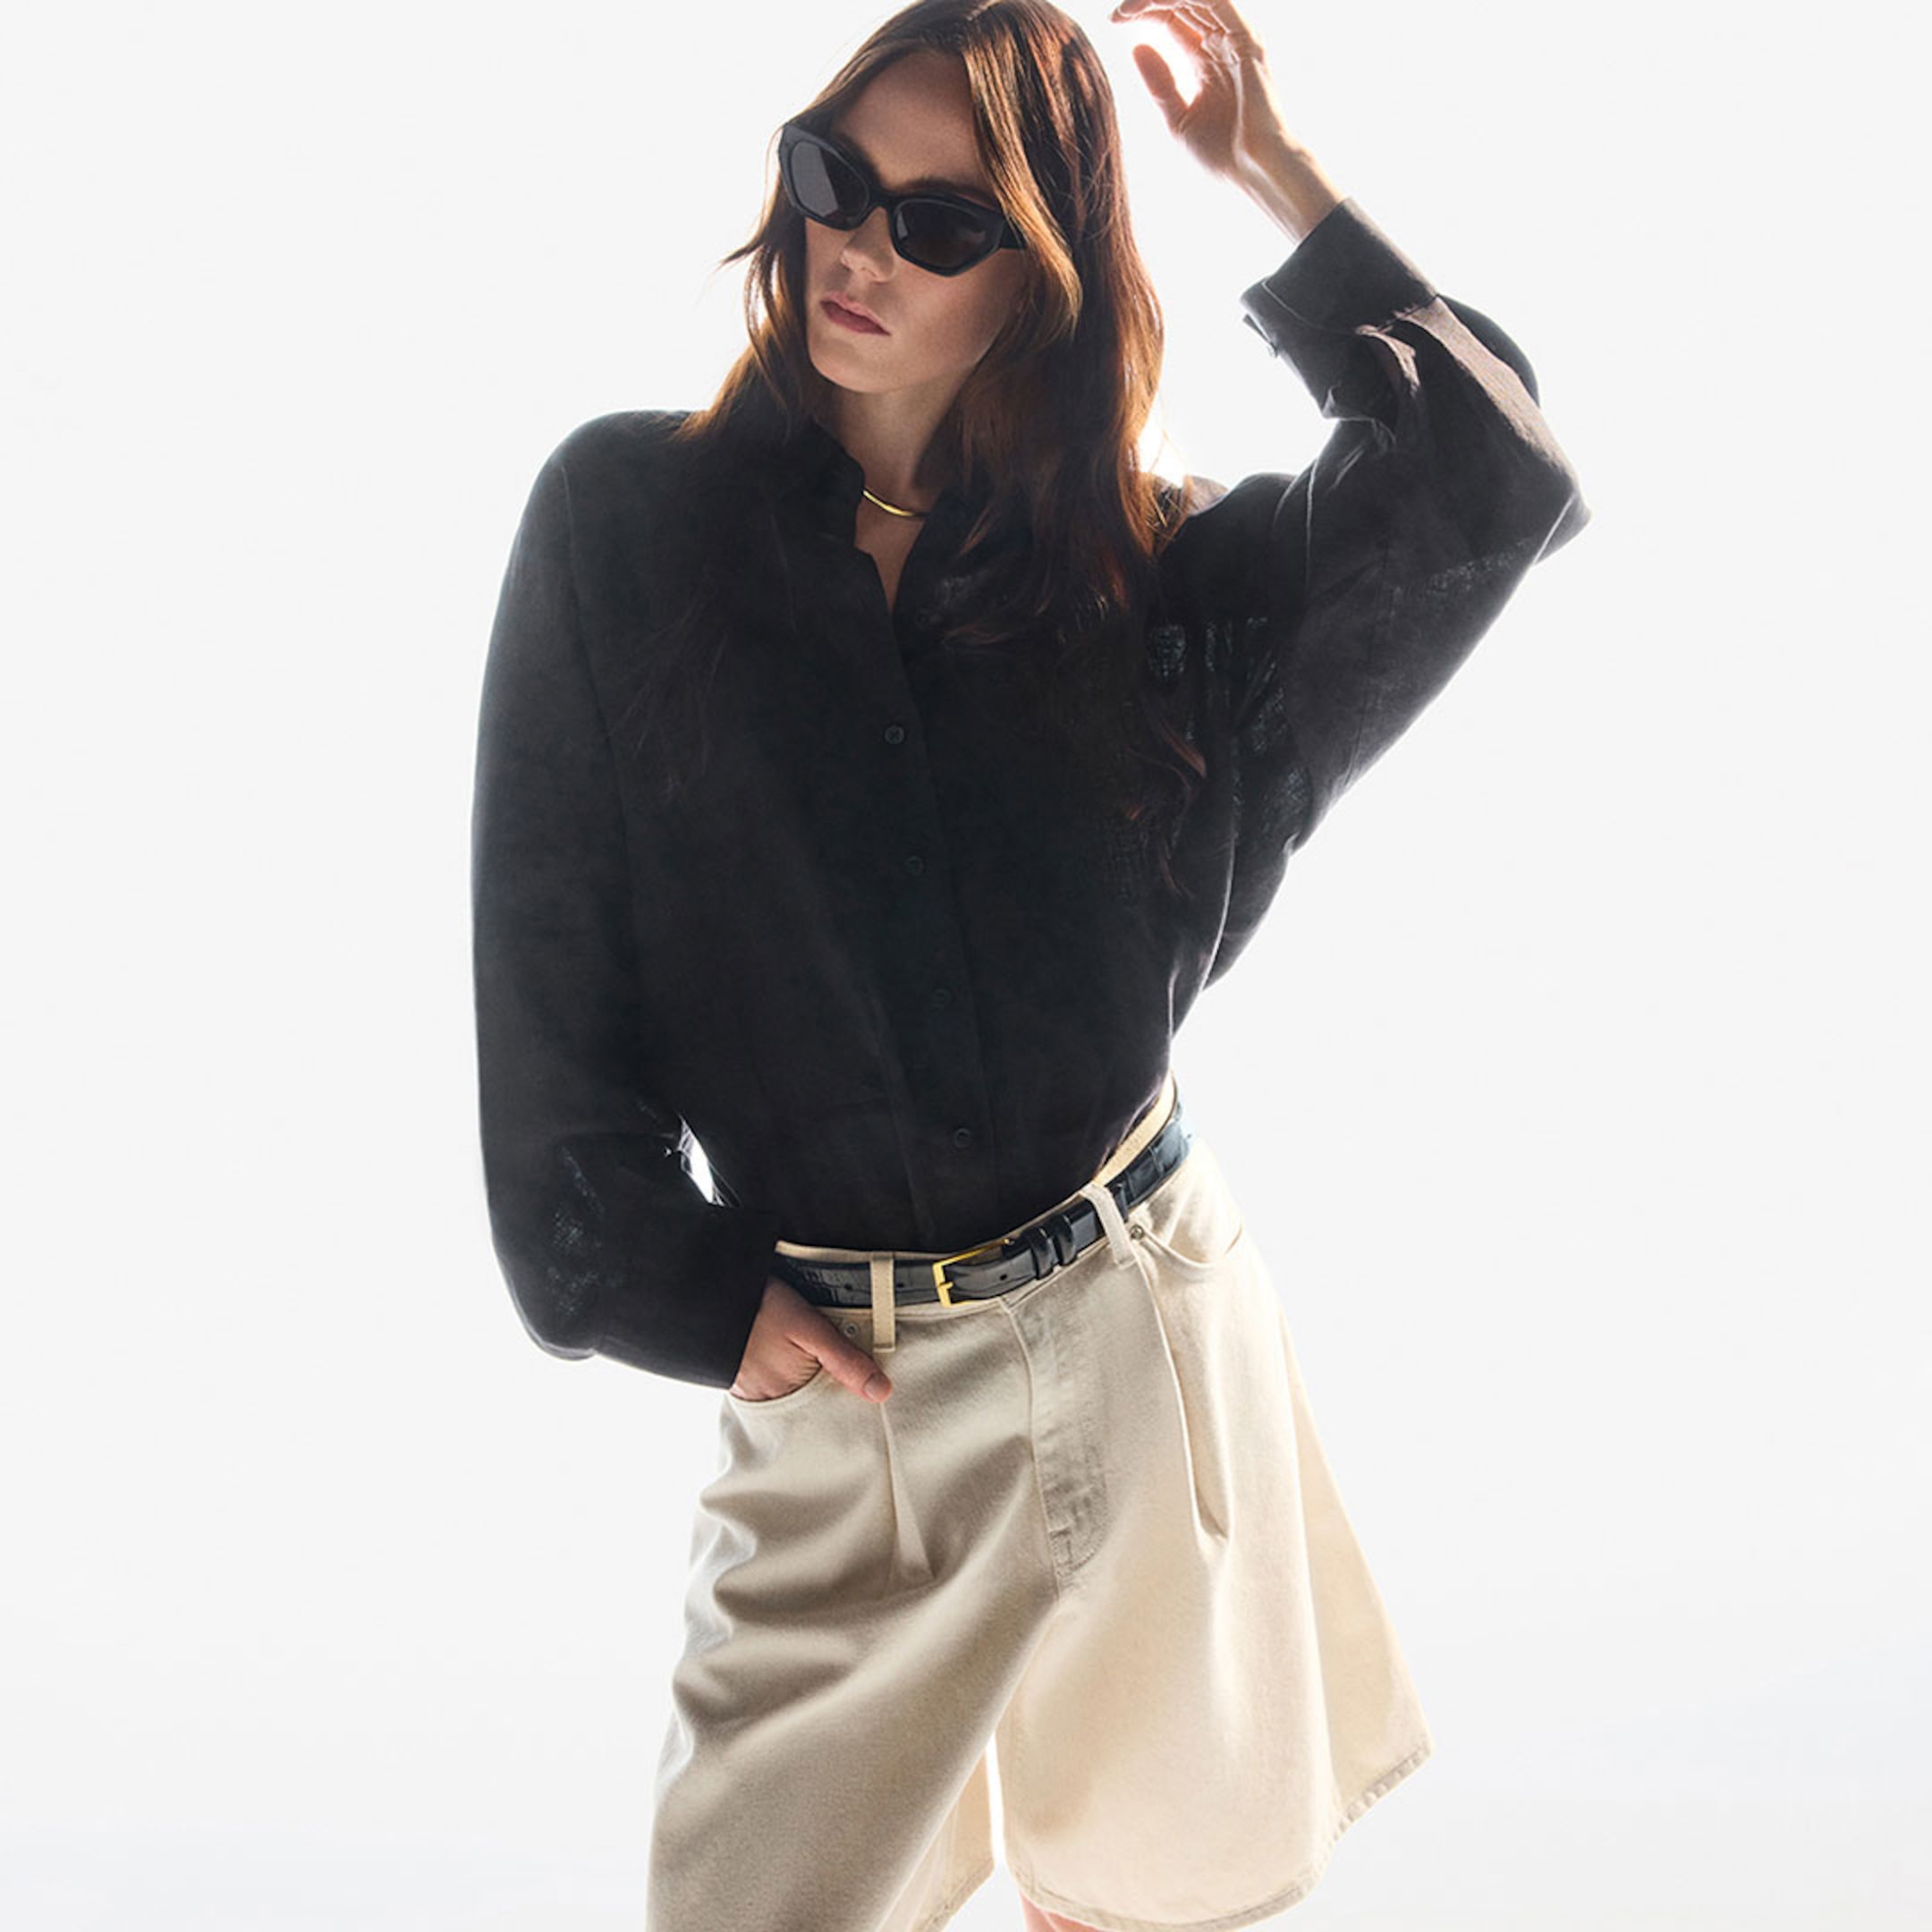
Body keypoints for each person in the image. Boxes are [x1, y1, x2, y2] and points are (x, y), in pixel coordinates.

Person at [469, 1, 1589, 1927]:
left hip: (1148, 1341)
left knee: (1144, 1906)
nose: (857, 247)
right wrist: (664, 1286)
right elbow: (546, 995)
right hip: (852, 1400)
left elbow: (1490, 484)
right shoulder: (622, 529)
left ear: (1047, 283)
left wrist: (1275, 173)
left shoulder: (1162, 588)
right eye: (835, 182)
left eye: (940, 223)